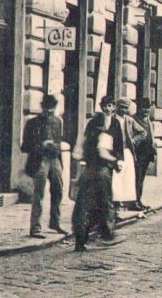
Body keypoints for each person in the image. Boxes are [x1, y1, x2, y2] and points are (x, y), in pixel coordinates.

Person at [73, 96, 124, 252]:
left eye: (111, 105)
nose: (108, 108)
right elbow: (103, 151)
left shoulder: (114, 123)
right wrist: (116, 162)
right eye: (106, 106)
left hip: (90, 171)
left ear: (114, 107)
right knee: (104, 203)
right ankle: (106, 234)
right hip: (101, 171)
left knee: (84, 204)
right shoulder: (101, 127)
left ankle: (81, 240)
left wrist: (119, 159)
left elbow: (119, 143)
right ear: (102, 107)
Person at [22, 93, 66, 239]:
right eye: (47, 108)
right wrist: (41, 145)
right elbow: (25, 146)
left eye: (52, 108)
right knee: (39, 194)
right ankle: (35, 227)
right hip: (40, 160)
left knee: (58, 191)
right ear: (42, 107)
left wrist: (57, 146)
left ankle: (55, 222)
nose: (50, 111)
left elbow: (60, 140)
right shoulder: (32, 123)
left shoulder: (58, 121)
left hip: (55, 160)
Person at [112, 98, 147, 212]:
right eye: (121, 107)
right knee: (116, 178)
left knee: (127, 178)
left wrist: (133, 140)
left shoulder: (129, 120)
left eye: (126, 107)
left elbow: (143, 132)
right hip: (115, 152)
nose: (123, 110)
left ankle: (126, 202)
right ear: (116, 107)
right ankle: (115, 203)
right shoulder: (112, 119)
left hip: (127, 151)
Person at [132, 98, 155, 210]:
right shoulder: (133, 119)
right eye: (143, 108)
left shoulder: (149, 121)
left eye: (148, 108)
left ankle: (138, 200)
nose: (146, 110)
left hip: (146, 155)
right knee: (136, 178)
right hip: (137, 155)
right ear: (139, 109)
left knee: (141, 179)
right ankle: (134, 202)